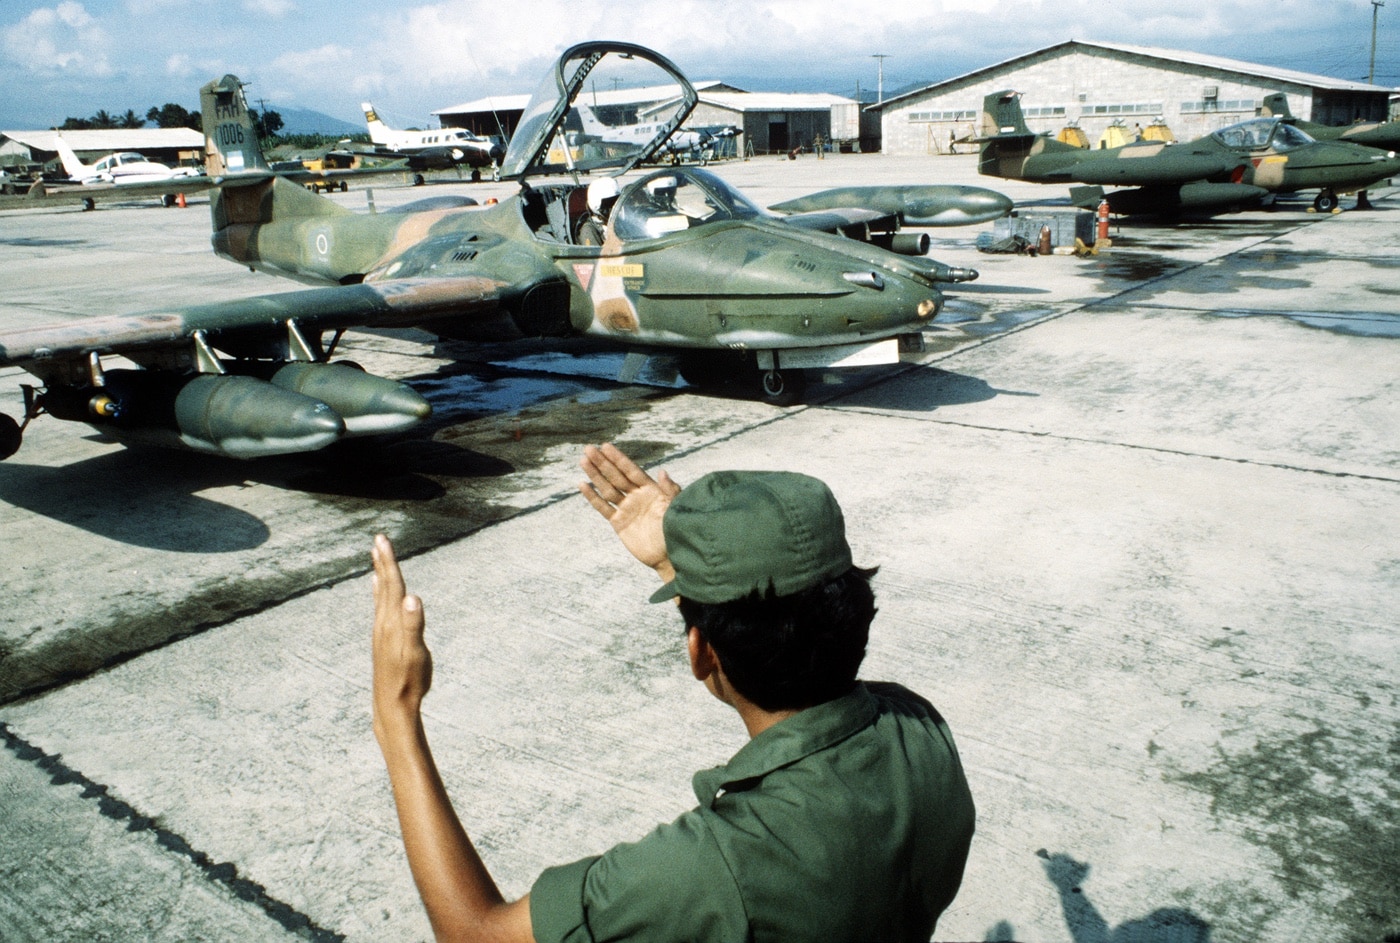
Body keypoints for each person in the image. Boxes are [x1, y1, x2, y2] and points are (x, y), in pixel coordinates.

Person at [371, 443, 975, 942]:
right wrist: (684, 569)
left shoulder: (711, 868)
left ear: (700, 653)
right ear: (853, 608)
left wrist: (397, 715)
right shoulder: (920, 729)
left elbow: (475, 933)